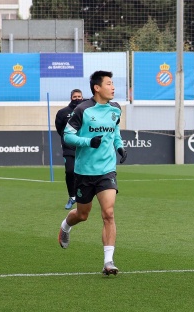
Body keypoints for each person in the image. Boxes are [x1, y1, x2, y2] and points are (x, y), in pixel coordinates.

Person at [58, 71, 127, 277]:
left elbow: (115, 131)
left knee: (109, 213)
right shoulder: (82, 110)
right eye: (109, 84)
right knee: (83, 214)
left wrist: (120, 146)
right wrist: (89, 141)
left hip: (107, 170)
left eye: (113, 83)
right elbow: (68, 136)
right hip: (84, 171)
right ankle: (65, 226)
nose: (113, 87)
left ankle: (108, 262)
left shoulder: (116, 108)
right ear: (97, 88)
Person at [55, 89, 84, 209]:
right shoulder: (62, 112)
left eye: (79, 96)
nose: (77, 98)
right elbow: (59, 129)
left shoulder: (87, 110)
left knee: (84, 173)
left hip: (83, 147)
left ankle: (83, 196)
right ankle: (72, 196)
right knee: (70, 171)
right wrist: (68, 139)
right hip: (69, 147)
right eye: (74, 96)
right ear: (71, 97)